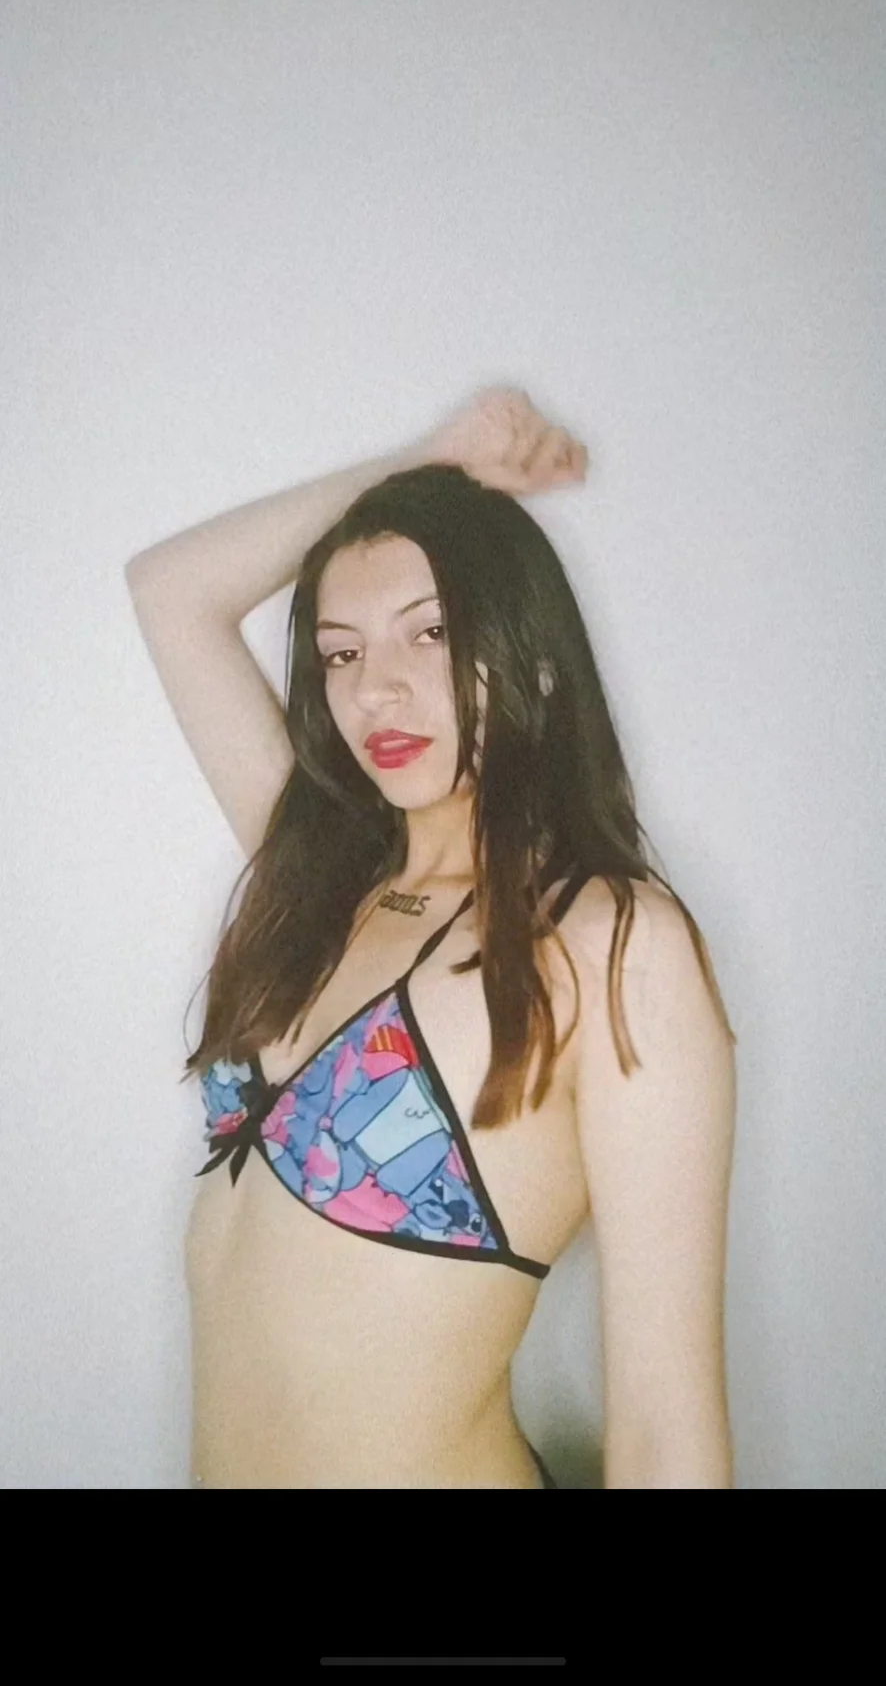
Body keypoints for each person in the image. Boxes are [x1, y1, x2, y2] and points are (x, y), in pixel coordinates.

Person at [125, 384, 737, 1489]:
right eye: (341, 653)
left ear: (530, 650)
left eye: (433, 632)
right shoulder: (317, 876)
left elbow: (663, 1423)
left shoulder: (607, 942)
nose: (379, 691)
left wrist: (435, 487)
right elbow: (170, 590)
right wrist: (422, 460)